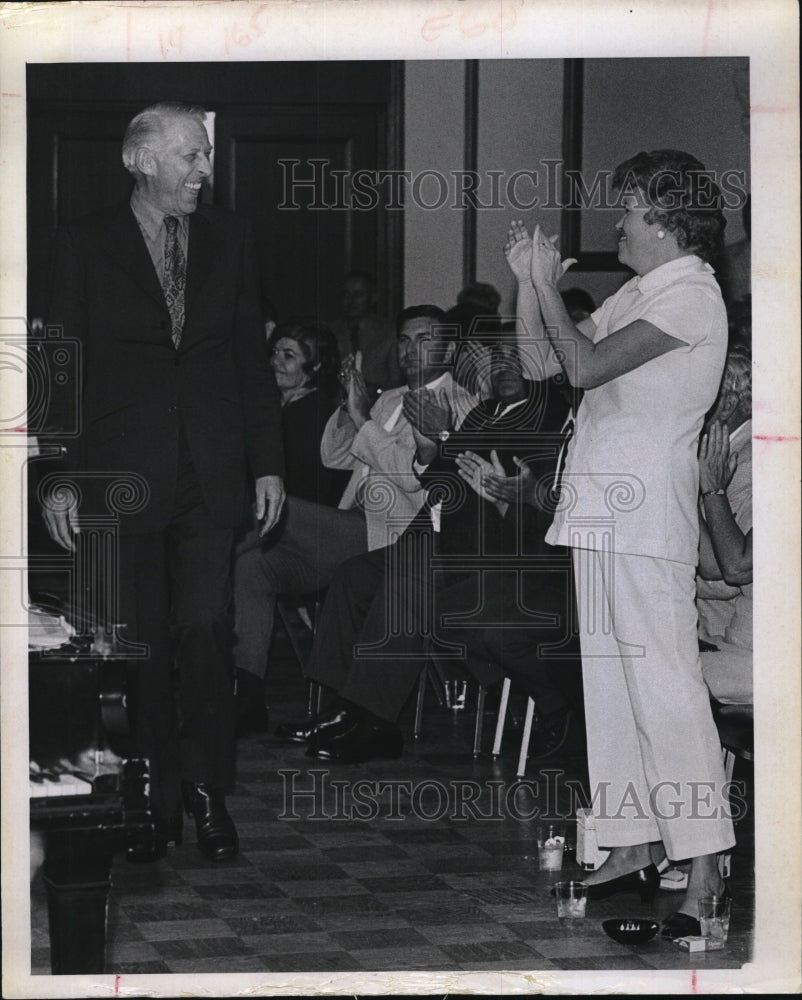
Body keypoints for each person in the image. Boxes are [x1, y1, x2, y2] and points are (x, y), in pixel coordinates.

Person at [41, 101, 285, 863]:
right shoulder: (83, 243)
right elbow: (60, 370)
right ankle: (146, 790)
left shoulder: (232, 239)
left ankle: (207, 791)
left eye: (206, 156)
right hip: (117, 476)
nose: (205, 172)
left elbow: (250, 360)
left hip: (210, 471)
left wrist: (269, 461)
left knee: (209, 627)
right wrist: (54, 476)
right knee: (136, 640)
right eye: (191, 156)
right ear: (140, 160)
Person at [502, 148, 734, 936]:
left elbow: (588, 366)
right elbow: (544, 363)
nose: (616, 224)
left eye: (628, 210)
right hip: (599, 508)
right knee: (609, 688)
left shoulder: (693, 295)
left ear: (668, 220)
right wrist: (530, 287)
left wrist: (548, 294)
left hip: (648, 517)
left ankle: (704, 868)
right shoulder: (643, 288)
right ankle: (631, 841)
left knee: (666, 691)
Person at [275, 335, 579, 764]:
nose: (505, 368)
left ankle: (376, 721)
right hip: (443, 538)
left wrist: (455, 447)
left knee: (406, 579)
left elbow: (538, 505)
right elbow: (441, 479)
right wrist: (435, 441)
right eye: (498, 359)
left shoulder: (552, 417)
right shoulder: (486, 411)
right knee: (355, 575)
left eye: (518, 359)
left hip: (488, 553)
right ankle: (340, 706)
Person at [234, 305, 475, 730]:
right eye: (403, 340)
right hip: (353, 531)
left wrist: (364, 417)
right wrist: (351, 405)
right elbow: (336, 455)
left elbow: (414, 478)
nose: (410, 349)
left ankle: (199, 556)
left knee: (281, 508)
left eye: (424, 339)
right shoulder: (393, 401)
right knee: (255, 565)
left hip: (398, 538)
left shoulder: (460, 404)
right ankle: (247, 694)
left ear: (450, 349)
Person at [232, 318, 345, 733]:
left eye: (289, 355)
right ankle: (247, 696)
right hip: (286, 537)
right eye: (274, 352)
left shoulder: (316, 413)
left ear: (313, 369)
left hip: (327, 529)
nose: (275, 361)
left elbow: (301, 485)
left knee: (260, 513)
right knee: (248, 569)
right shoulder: (270, 409)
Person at [696, 345, 752, 705]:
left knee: (642, 676)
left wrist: (704, 488)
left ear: (728, 404)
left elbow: (726, 571)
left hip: (748, 653)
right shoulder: (726, 451)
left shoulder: (749, 461)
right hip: (725, 637)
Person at [328, 270, 402, 394]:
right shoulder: (331, 332)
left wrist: (376, 390)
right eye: (346, 295)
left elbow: (397, 382)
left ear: (373, 298)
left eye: (358, 295)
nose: (351, 301)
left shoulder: (389, 332)